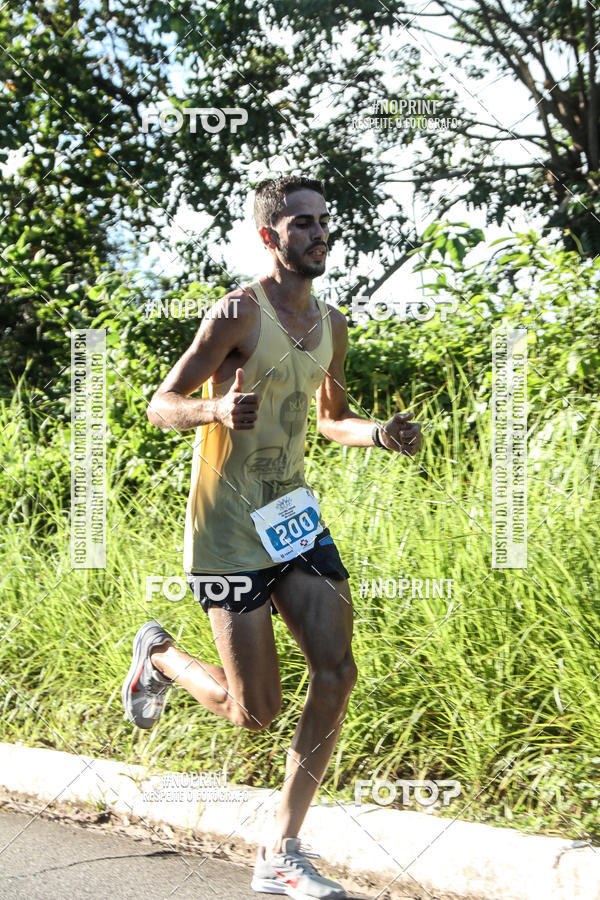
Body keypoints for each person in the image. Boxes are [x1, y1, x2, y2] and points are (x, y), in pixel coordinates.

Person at [122, 175, 422, 899]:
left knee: (338, 671)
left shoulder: (332, 323)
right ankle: (160, 657)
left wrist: (378, 434)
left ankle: (280, 850)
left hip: (292, 519)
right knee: (254, 712)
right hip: (226, 532)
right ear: (269, 236)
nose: (320, 234)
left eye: (324, 222)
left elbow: (329, 417)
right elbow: (161, 404)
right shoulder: (236, 315)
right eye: (302, 224)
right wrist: (214, 411)